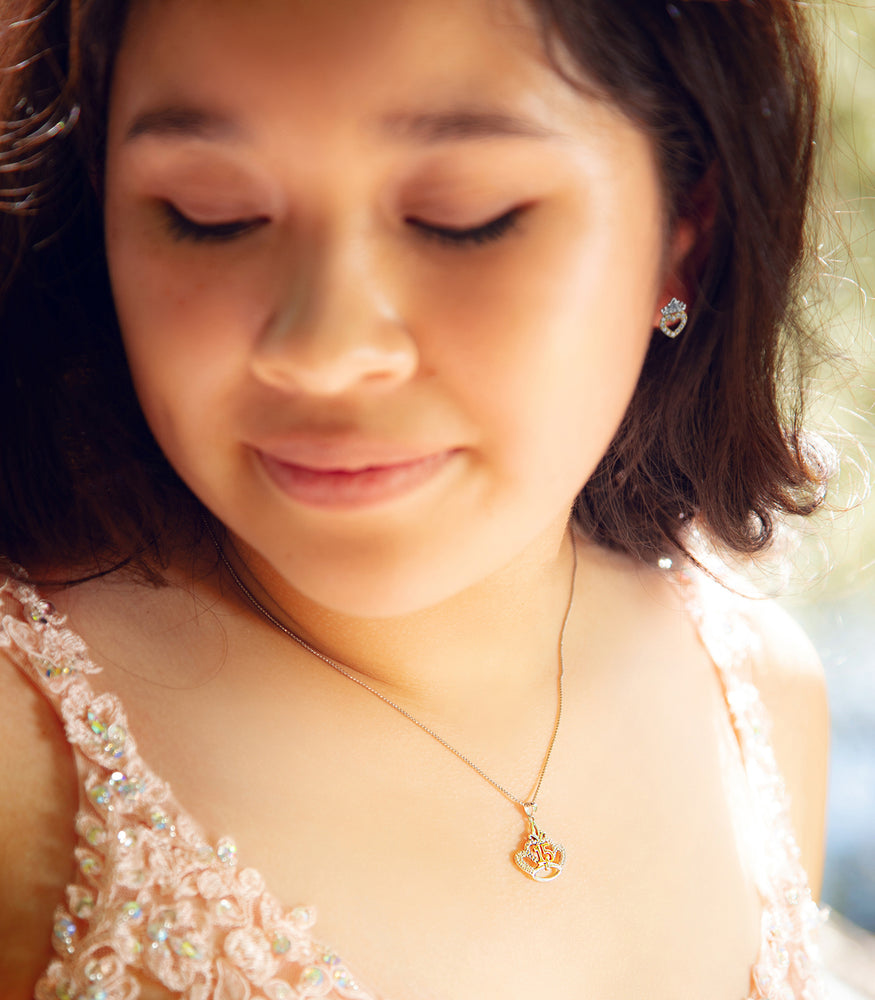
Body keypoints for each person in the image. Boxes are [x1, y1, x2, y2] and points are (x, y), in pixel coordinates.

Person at [0, 0, 834, 997]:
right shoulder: (23, 756)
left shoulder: (761, 710)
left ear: (684, 239)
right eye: (209, 214)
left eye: (462, 219)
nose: (323, 349)